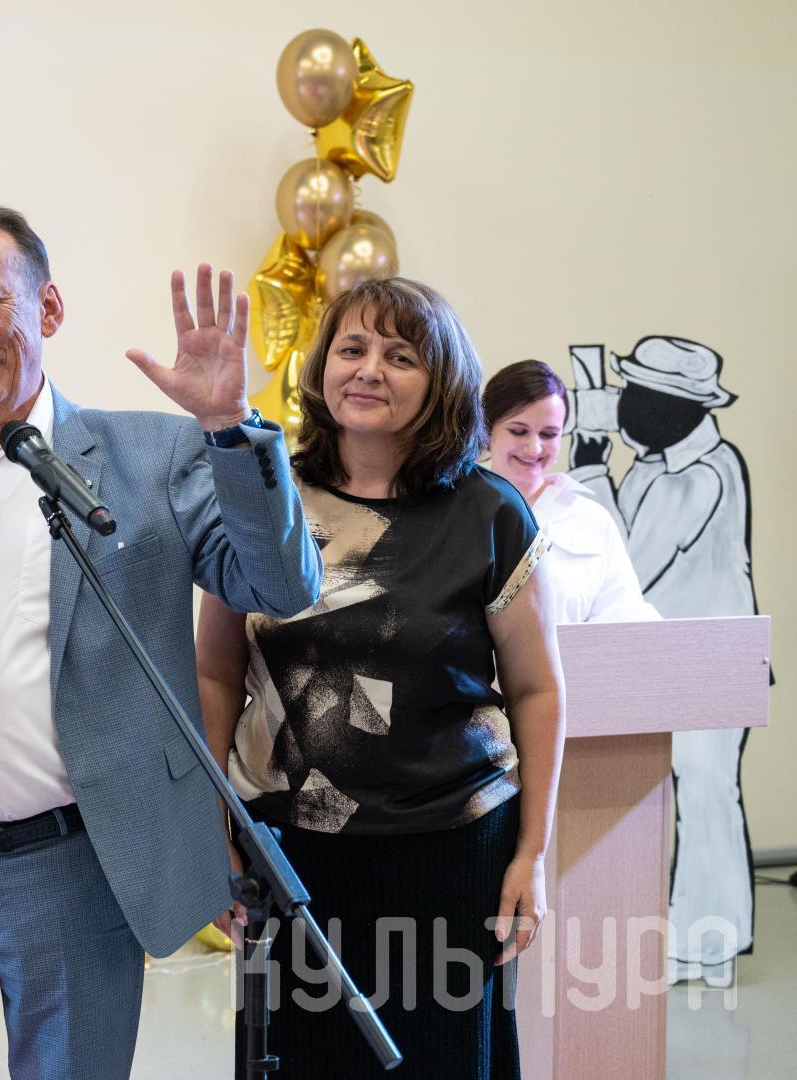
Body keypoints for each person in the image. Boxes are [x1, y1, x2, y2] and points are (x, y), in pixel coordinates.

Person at [0, 201, 322, 1080]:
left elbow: (278, 586)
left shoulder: (152, 454)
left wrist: (230, 429)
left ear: (48, 308)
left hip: (73, 870)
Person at [196, 278, 565, 1079]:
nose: (368, 370)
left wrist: (531, 854)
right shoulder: (263, 502)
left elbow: (537, 691)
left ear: (440, 382)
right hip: (290, 854)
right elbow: (215, 673)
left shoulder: (490, 512)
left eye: (400, 356)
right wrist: (210, 826)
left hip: (451, 852)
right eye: (351, 348)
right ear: (320, 365)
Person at [566, 337, 755, 984]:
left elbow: (630, 563)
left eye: (638, 396)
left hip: (711, 662)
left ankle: (711, 945)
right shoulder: (655, 464)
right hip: (666, 660)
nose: (624, 406)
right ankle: (677, 933)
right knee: (663, 799)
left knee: (706, 798)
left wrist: (590, 471)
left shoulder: (702, 473)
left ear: (679, 406)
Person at [483, 359, 658, 624]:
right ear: (487, 428)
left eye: (549, 434)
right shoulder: (456, 509)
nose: (534, 448)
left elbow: (623, 619)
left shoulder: (591, 520)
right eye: (518, 431)